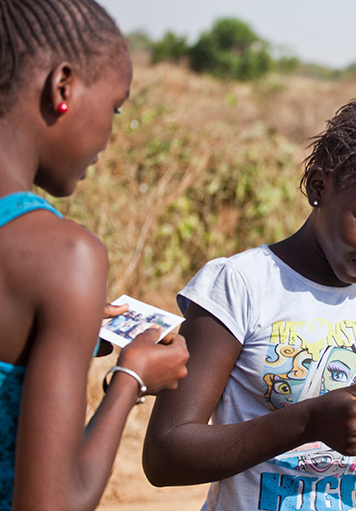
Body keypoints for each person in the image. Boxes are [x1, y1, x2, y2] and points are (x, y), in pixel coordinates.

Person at [142, 97, 356, 511]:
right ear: (320, 187)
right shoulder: (242, 284)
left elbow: (354, 461)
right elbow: (165, 456)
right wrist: (307, 422)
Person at [0, 1, 190, 509]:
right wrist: (132, 379)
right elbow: (55, 501)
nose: (109, 134)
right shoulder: (63, 256)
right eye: (115, 107)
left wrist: (61, 329)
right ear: (62, 86)